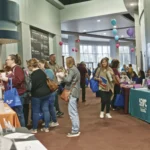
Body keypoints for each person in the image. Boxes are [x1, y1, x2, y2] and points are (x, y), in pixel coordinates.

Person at [1, 54, 26, 127]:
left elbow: (19, 80)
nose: (6, 61)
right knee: (16, 113)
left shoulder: (17, 69)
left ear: (13, 60)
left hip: (18, 94)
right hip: (15, 94)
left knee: (19, 114)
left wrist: (7, 79)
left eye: (8, 59)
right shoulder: (13, 69)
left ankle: (23, 131)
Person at [27, 58, 51, 133]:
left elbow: (30, 87)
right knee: (46, 110)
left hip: (36, 95)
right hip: (46, 93)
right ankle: (46, 127)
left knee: (35, 112)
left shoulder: (32, 75)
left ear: (31, 66)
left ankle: (34, 128)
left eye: (28, 66)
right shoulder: (43, 72)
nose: (28, 68)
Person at [61, 56, 81, 137]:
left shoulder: (72, 69)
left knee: (72, 112)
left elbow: (68, 80)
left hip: (72, 92)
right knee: (73, 111)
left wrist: (62, 77)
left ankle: (75, 130)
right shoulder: (75, 69)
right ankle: (76, 129)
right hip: (75, 91)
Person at [39, 59, 59, 127]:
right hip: (47, 91)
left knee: (51, 106)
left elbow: (48, 79)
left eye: (40, 64)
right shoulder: (43, 71)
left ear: (44, 64)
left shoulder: (49, 71)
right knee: (47, 107)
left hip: (51, 91)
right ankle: (48, 120)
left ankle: (54, 120)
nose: (39, 66)